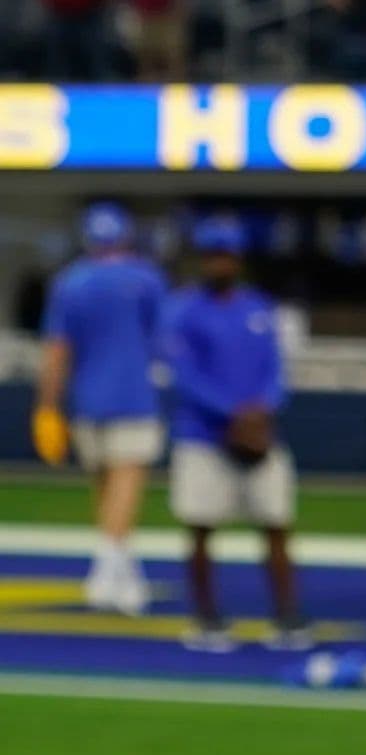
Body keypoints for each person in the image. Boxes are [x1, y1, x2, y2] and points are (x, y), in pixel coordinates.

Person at [161, 216, 305, 652]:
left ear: (238, 259)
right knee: (201, 527)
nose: (220, 264)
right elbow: (184, 375)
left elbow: (277, 369)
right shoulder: (182, 310)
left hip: (260, 434)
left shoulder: (260, 308)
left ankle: (287, 616)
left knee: (277, 524)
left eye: (226, 255)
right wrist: (230, 414)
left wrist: (262, 410)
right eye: (212, 255)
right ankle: (206, 617)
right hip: (203, 436)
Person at [33, 203, 166, 615]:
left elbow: (57, 352)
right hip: (132, 395)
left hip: (87, 398)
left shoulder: (70, 282)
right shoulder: (146, 277)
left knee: (106, 487)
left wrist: (47, 405)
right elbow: (162, 338)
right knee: (126, 482)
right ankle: (107, 567)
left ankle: (121, 572)